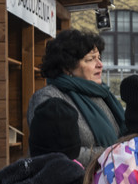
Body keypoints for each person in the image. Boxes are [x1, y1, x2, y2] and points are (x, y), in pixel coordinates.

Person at [27, 28, 124, 166]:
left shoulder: (101, 95)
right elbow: (56, 153)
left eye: (99, 58)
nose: (100, 65)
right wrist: (113, 154)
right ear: (67, 67)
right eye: (90, 59)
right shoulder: (49, 98)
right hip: (72, 183)